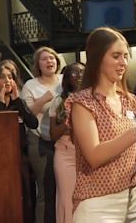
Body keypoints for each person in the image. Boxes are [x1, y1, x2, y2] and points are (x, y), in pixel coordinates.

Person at [64, 27, 136, 223]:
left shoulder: (130, 100)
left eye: (126, 56)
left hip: (132, 197)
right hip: (97, 203)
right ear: (97, 58)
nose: (123, 63)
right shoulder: (82, 102)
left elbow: (126, 146)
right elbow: (94, 155)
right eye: (116, 56)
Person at [0, 63, 38, 223]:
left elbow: (33, 123)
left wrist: (17, 100)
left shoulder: (18, 103)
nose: (7, 81)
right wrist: (2, 103)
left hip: (20, 157)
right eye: (3, 77)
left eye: (10, 77)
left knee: (26, 197)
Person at [21, 46, 63, 223]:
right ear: (38, 64)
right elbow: (27, 115)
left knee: (65, 188)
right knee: (46, 190)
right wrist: (45, 98)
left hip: (65, 141)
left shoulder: (64, 80)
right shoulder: (30, 85)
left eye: (52, 58)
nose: (49, 61)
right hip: (40, 141)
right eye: (44, 58)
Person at [49, 62, 84, 223]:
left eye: (83, 72)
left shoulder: (95, 98)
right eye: (74, 73)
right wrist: (69, 120)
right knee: (66, 199)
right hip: (65, 154)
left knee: (85, 199)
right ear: (67, 79)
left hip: (87, 154)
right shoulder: (59, 101)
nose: (79, 76)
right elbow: (53, 134)